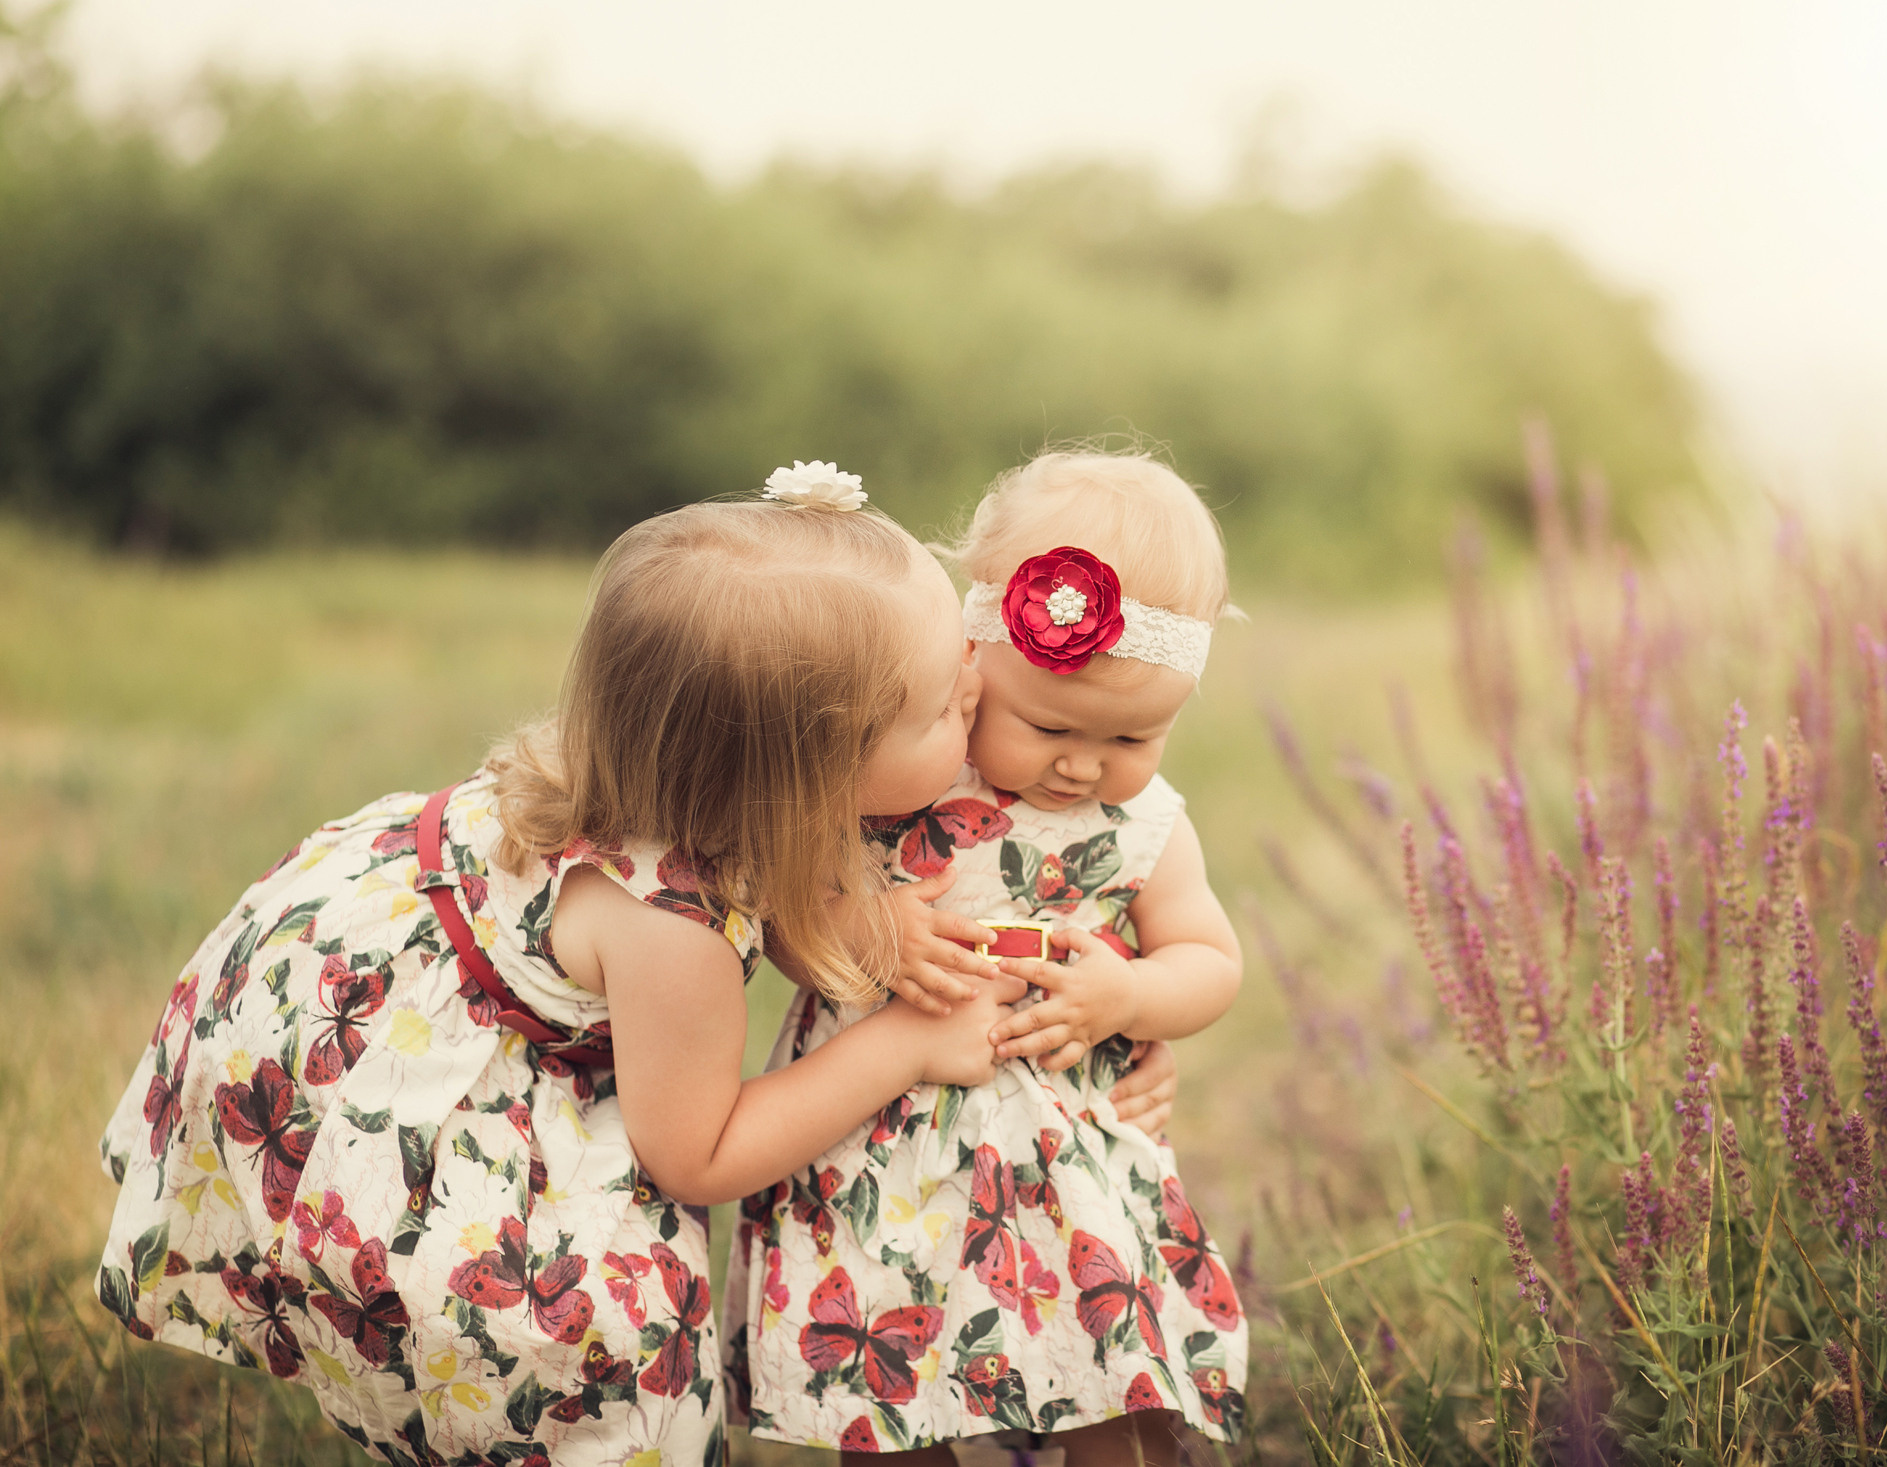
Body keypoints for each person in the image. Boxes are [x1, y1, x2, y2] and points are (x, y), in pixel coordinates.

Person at [93, 469, 1034, 1464]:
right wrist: (904, 1043)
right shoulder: (672, 926)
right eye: (939, 709)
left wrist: (854, 916)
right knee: (609, 1362)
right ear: (807, 774)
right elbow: (699, 1154)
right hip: (391, 1095)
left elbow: (786, 883)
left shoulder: (664, 769)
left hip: (350, 976)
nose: (974, 690)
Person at [731, 451, 1249, 1465]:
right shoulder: (904, 768)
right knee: (887, 1367)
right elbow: (781, 915)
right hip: (876, 1139)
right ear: (970, 663)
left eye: (1134, 736)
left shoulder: (1143, 822)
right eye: (1049, 725)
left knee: (1101, 1360)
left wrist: (1130, 993)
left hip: (1062, 1151)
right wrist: (857, 927)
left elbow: (1209, 959)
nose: (1084, 764)